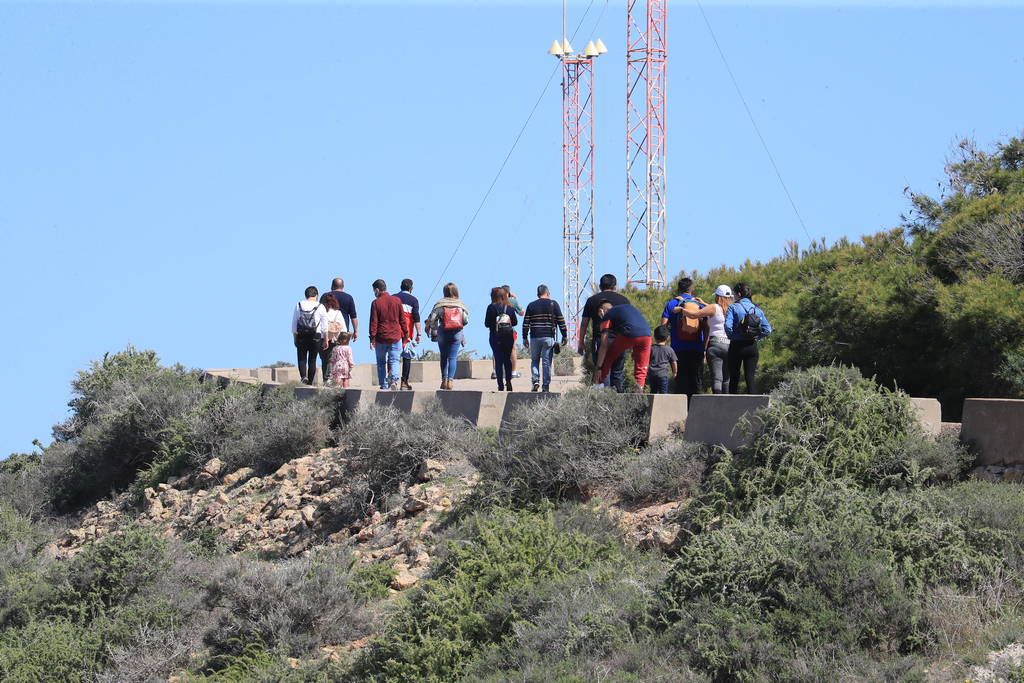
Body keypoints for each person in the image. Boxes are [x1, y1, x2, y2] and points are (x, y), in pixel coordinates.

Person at [578, 273, 630, 392]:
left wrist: (581, 342)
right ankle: (618, 403)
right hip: (620, 340)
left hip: (600, 340)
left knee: (602, 371)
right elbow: (628, 322)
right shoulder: (623, 300)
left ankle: (604, 403)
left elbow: (584, 323)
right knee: (617, 373)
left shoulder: (592, 300)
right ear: (615, 286)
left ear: (600, 286)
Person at [678, 285, 733, 394]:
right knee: (726, 377)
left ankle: (717, 401)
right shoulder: (731, 309)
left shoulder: (713, 307)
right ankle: (727, 401)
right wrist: (704, 303)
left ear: (718, 296)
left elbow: (694, 315)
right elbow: (719, 311)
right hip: (728, 344)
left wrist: (682, 310)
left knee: (717, 377)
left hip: (715, 343)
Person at [661, 278, 708, 402]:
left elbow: (663, 328)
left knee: (681, 383)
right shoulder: (700, 305)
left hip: (678, 349)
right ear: (691, 290)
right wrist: (705, 347)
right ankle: (696, 415)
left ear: (678, 289)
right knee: (697, 383)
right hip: (697, 348)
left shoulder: (671, 304)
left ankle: (681, 417)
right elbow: (707, 327)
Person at [724, 283, 772, 394]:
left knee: (734, 377)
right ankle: (755, 408)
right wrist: (756, 336)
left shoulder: (733, 307)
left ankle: (731, 407)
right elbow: (767, 329)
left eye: (734, 294)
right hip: (751, 346)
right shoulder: (757, 309)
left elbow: (727, 326)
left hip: (736, 346)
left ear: (739, 294)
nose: (734, 297)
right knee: (750, 378)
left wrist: (732, 336)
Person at [594, 301, 652, 391]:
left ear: (601, 311)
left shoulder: (607, 315)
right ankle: (639, 395)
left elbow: (603, 345)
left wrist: (599, 367)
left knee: (608, 357)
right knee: (641, 368)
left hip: (629, 333)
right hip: (647, 334)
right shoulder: (623, 309)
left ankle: (600, 387)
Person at [522, 284, 568, 392]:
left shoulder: (531, 305)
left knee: (534, 360)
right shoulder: (553, 304)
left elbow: (526, 323)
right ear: (547, 293)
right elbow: (561, 321)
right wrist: (564, 335)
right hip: (548, 337)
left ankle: (535, 380)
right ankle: (545, 386)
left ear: (538, 294)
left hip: (534, 337)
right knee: (546, 362)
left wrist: (524, 337)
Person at [424, 282, 469, 390]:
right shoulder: (460, 304)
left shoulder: (440, 304)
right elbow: (465, 320)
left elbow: (432, 319)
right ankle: (450, 381)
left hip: (443, 333)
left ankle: (444, 380)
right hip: (456, 333)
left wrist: (433, 329)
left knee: (444, 357)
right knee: (452, 357)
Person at [368, 279, 409, 391]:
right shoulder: (397, 301)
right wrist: (406, 335)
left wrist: (372, 338)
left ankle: (384, 384)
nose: (374, 293)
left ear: (377, 290)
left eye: (374, 291)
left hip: (381, 337)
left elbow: (373, 323)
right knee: (394, 360)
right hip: (396, 336)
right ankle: (394, 381)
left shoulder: (376, 303)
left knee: (381, 362)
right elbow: (402, 320)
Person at [484, 287, 519, 391]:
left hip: (495, 336)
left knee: (498, 360)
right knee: (507, 359)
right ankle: (508, 381)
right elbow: (515, 322)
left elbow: (486, 324)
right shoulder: (509, 307)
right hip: (508, 336)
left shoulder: (491, 307)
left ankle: (500, 384)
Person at [291, 285, 327, 385]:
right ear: (316, 295)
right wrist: (326, 339)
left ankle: (303, 377)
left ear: (306, 295)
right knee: (312, 359)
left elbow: (294, 324)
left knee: (302, 358)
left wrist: (295, 338)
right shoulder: (320, 306)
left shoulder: (299, 304)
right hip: (316, 336)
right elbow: (325, 326)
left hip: (301, 335)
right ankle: (310, 383)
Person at [395, 278, 422, 391]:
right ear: (411, 288)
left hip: (394, 330)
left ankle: (391, 381)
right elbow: (416, 318)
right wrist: (419, 334)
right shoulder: (414, 300)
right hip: (407, 332)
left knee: (393, 356)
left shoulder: (394, 298)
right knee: (407, 357)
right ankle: (404, 382)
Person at [319, 293, 347, 385]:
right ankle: (331, 379)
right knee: (333, 360)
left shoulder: (321, 312)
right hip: (335, 340)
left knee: (324, 360)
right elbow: (344, 329)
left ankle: (326, 379)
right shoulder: (337, 313)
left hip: (323, 339)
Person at [647, 325, 678, 395]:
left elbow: (646, 360)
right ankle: (663, 405)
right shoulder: (669, 349)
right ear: (667, 338)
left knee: (653, 392)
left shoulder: (651, 348)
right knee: (663, 393)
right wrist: (675, 372)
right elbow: (674, 362)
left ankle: (652, 405)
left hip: (652, 374)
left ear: (654, 337)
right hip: (663, 375)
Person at [329, 277, 359, 344]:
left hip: (328, 332)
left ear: (332, 286)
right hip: (343, 332)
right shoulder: (348, 297)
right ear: (343, 286)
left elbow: (320, 313)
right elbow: (353, 317)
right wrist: (355, 331)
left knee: (327, 353)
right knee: (342, 353)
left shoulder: (326, 296)